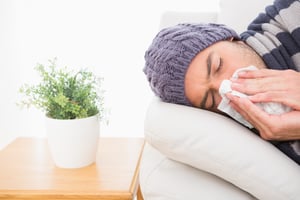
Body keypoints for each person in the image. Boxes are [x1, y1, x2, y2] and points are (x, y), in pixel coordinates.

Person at [143, 0, 300, 164]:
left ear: (231, 39)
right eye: (211, 99)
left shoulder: (291, 12)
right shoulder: (271, 138)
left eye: (218, 66)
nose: (228, 86)